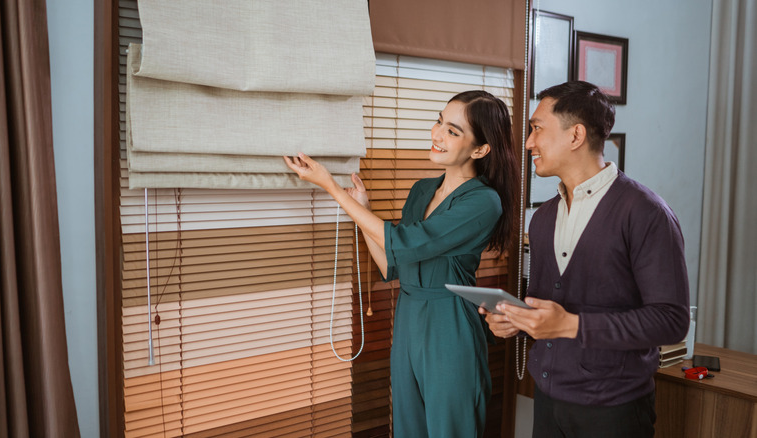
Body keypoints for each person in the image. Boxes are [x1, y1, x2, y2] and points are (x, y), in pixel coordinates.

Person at [285, 90, 519, 437]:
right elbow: (391, 263)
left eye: (453, 131)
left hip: (449, 326)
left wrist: (331, 188)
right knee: (409, 429)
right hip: (408, 319)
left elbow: (405, 243)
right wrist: (360, 207)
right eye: (440, 121)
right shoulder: (422, 190)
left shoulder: (484, 202)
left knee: (450, 429)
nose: (437, 134)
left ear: (480, 149)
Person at [481, 81, 690, 438]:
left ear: (575, 135)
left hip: (614, 411)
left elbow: (671, 321)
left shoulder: (646, 213)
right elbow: (550, 307)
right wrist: (518, 320)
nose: (529, 142)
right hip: (548, 401)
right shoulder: (543, 218)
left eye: (536, 129)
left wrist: (572, 325)